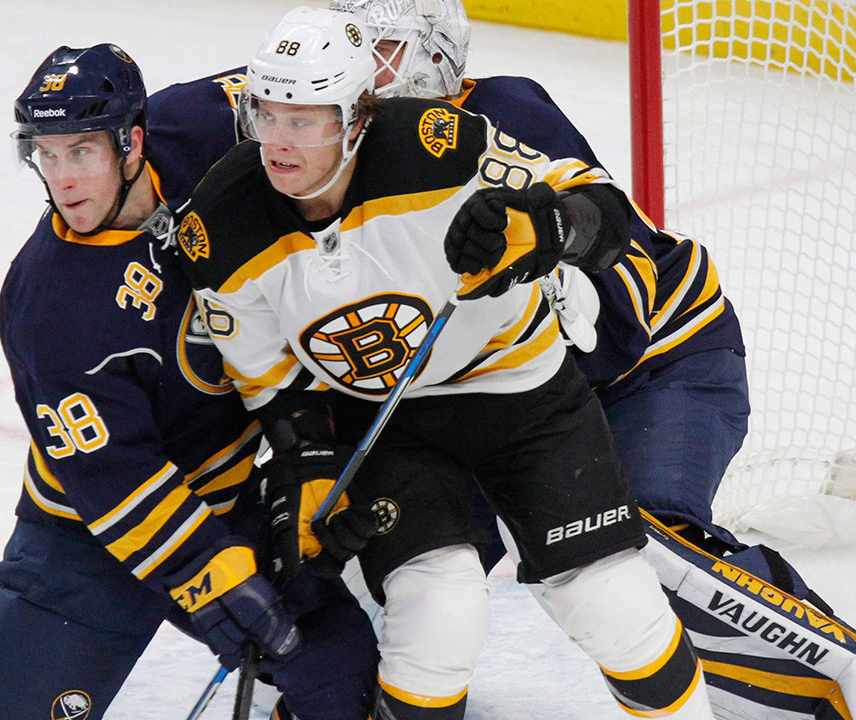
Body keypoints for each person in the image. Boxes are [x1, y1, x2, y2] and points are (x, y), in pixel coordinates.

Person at [329, 2, 856, 718]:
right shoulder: (327, 151)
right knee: (378, 581)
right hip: (493, 400)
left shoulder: (502, 116)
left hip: (652, 369)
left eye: (383, 49)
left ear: (435, 55)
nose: (359, 67)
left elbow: (622, 301)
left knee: (636, 553)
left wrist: (555, 267)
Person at [176, 7, 716, 720]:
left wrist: (542, 227)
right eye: (266, 114)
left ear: (356, 118)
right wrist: (305, 473)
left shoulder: (440, 145)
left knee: (611, 602)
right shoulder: (218, 225)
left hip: (522, 393)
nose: (277, 141)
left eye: (302, 120)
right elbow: (273, 384)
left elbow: (602, 208)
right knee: (439, 609)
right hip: (386, 422)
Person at [0, 43, 379, 720]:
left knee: (344, 679)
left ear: (132, 143)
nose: (63, 180)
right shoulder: (48, 305)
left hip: (229, 498)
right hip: (87, 540)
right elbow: (113, 476)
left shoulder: (198, 127)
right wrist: (213, 574)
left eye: (81, 152)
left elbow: (319, 92)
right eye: (47, 155)